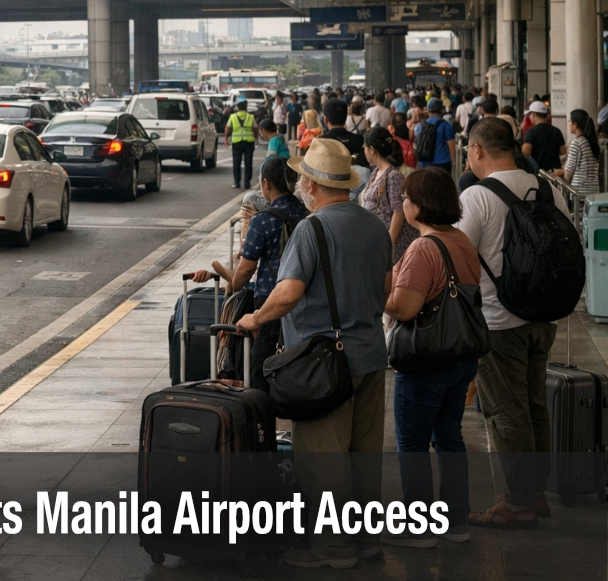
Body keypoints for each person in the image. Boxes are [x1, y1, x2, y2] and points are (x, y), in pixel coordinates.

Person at [236, 139, 392, 568]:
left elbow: (288, 292)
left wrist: (257, 318)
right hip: (371, 356)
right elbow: (385, 289)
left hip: (325, 364)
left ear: (311, 185)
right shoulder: (375, 225)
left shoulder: (312, 228)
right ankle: (367, 541)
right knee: (364, 457)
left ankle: (333, 549)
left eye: (304, 178)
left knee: (324, 461)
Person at [457, 118, 571, 528]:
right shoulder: (548, 189)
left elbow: (459, 255)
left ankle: (519, 502)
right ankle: (535, 492)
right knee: (535, 402)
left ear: (477, 150)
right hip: (544, 315)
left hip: (499, 320)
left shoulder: (477, 196)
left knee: (507, 411)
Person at [382, 167, 481, 548]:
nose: (404, 203)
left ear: (421, 206)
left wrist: (381, 295)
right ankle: (456, 521)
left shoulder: (424, 248)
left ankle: (418, 526)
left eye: (407, 198)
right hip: (460, 354)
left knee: (412, 443)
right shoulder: (461, 239)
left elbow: (405, 308)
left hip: (426, 359)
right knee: (449, 437)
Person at [191, 157, 306, 392]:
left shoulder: (262, 220)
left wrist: (234, 284)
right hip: (302, 296)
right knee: (296, 358)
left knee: (262, 363)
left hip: (269, 299)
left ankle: (263, 411)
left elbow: (245, 269)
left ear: (266, 183)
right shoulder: (305, 212)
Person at [362, 128, 418, 262]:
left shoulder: (393, 176)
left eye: (364, 147)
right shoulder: (376, 172)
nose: (363, 150)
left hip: (392, 242)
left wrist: (389, 242)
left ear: (372, 149)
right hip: (378, 238)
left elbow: (398, 212)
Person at [553, 108, 601, 194]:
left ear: (575, 124)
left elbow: (568, 173)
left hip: (579, 191)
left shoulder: (576, 143)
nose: (569, 124)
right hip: (594, 190)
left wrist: (559, 176)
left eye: (570, 121)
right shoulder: (591, 142)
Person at [521, 100, 567, 172]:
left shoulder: (531, 132)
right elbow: (563, 153)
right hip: (554, 173)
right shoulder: (556, 131)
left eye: (529, 115)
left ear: (533, 114)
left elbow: (525, 153)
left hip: (538, 172)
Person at [415, 98, 456, 172]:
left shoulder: (419, 126)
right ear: (441, 110)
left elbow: (416, 145)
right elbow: (451, 144)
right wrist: (453, 161)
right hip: (442, 162)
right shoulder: (446, 125)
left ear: (427, 110)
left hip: (424, 163)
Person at [226, 99, 257, 190]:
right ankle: (247, 183)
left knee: (236, 163)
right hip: (249, 142)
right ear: (246, 107)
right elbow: (255, 129)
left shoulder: (232, 116)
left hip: (236, 142)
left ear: (237, 107)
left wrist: (226, 139)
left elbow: (227, 129)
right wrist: (257, 139)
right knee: (248, 163)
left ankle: (237, 183)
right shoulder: (251, 117)